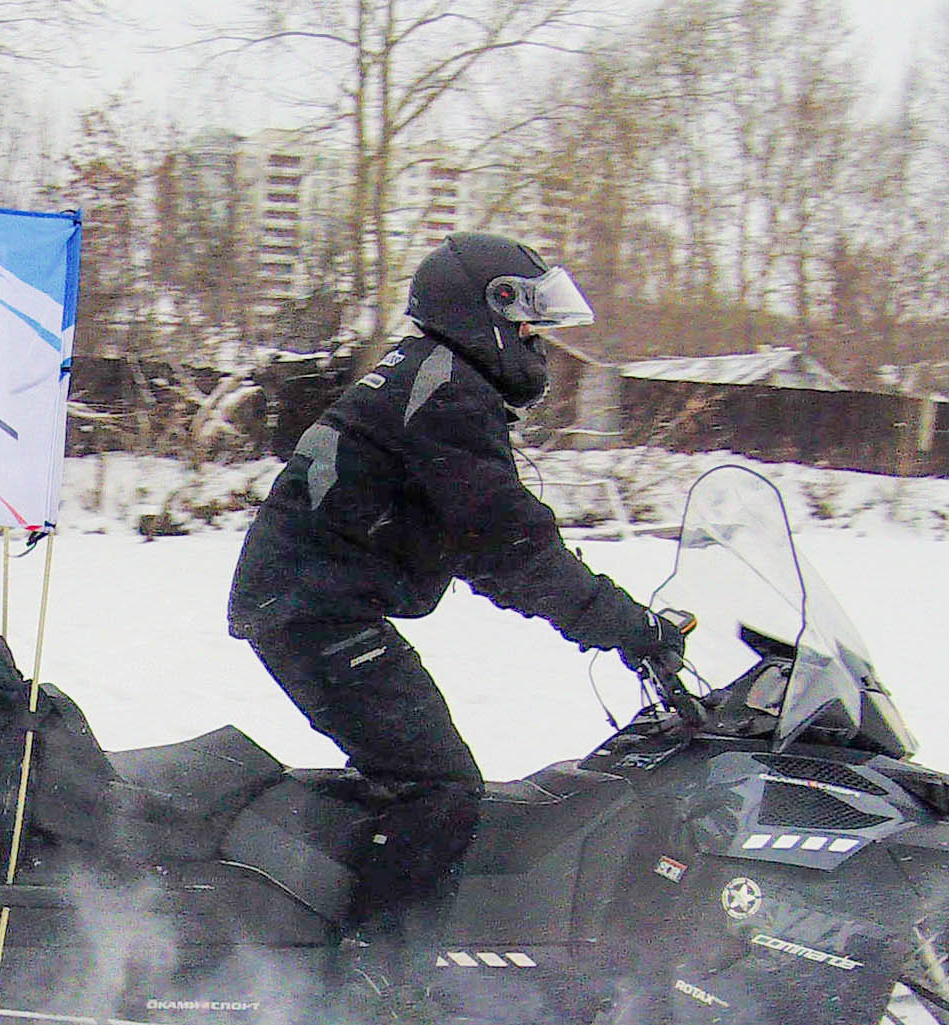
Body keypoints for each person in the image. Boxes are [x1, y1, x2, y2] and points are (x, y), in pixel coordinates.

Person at [227, 233, 681, 951]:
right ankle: (381, 991)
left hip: (312, 602)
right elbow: (512, 545)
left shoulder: (432, 377)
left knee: (414, 772)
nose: (537, 341)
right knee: (435, 786)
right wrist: (626, 625)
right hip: (313, 611)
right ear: (487, 311)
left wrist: (598, 611)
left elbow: (483, 543)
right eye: (529, 322)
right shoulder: (445, 395)